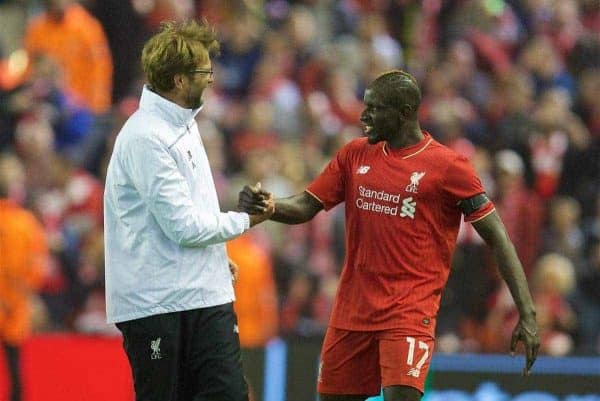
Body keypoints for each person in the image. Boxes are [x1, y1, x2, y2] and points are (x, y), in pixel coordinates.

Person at [239, 70, 540, 401]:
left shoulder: (449, 167)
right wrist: (269, 206)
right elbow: (306, 205)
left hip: (407, 314)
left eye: (374, 108)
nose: (363, 116)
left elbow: (498, 238)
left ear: (405, 112)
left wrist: (527, 313)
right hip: (351, 314)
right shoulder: (354, 155)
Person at [103, 20, 273, 401]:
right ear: (179, 80)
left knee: (229, 394)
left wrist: (214, 257)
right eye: (204, 71)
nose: (212, 79)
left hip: (204, 293)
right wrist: (247, 220)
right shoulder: (145, 136)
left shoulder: (185, 124)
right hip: (156, 302)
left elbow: (187, 210)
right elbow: (182, 226)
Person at [0, 153, 49, 401]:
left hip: (11, 303)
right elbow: (37, 267)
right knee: (15, 373)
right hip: (14, 305)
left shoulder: (23, 223)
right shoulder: (25, 223)